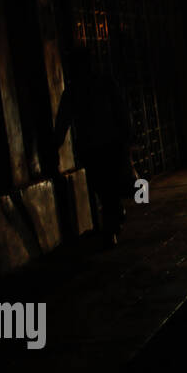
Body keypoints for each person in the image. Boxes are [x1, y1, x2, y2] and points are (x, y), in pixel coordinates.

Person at [53, 46, 134, 247]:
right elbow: (121, 111)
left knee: (104, 188)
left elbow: (63, 121)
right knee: (109, 186)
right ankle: (113, 220)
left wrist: (55, 143)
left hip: (93, 148)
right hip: (108, 145)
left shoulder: (74, 90)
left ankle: (111, 225)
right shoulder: (104, 83)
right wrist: (127, 136)